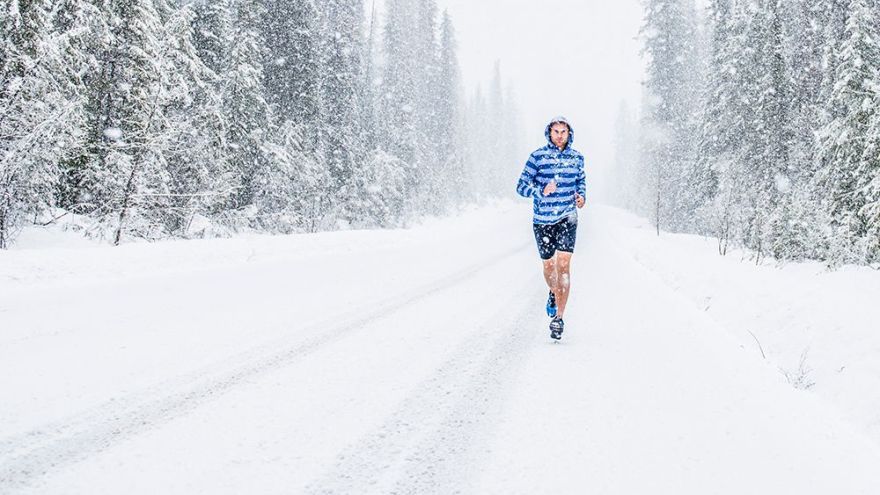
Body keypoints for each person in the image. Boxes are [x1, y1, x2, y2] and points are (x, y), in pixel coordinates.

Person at [515, 116, 586, 340]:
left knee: (564, 266)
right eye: (555, 131)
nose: (559, 135)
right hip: (543, 219)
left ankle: (559, 319)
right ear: (549, 133)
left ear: (569, 134)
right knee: (549, 266)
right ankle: (554, 293)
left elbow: (581, 182)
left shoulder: (577, 158)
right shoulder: (537, 157)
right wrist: (541, 190)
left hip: (568, 217)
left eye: (563, 131)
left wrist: (581, 196)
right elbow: (521, 187)